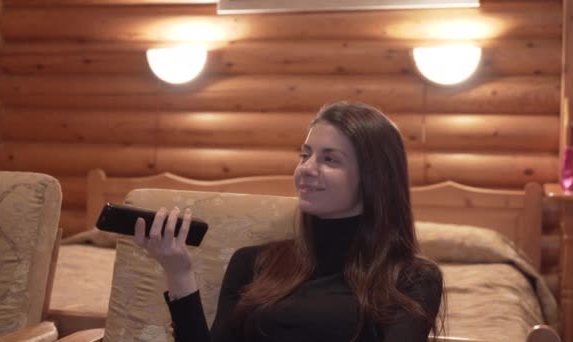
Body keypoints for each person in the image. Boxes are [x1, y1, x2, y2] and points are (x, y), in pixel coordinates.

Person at [134, 101, 445, 342]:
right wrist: (179, 272)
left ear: (374, 178)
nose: (307, 168)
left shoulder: (412, 278)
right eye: (305, 154)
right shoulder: (254, 262)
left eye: (329, 159)